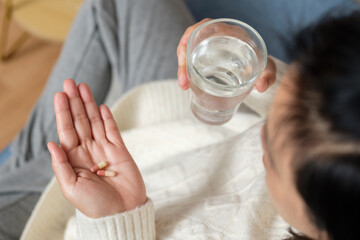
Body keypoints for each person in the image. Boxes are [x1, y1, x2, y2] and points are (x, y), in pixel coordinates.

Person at [0, 0, 358, 239]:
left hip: (95, 211)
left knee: (31, 166)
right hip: (177, 131)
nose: (259, 134)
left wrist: (117, 220)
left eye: (275, 161)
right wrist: (265, 76)